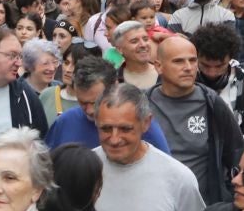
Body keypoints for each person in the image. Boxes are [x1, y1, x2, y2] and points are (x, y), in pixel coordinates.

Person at [146, 34, 242, 207]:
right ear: (159, 66)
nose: (188, 68)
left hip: (201, 210)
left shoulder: (212, 104)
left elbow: (236, 154)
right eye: (179, 61)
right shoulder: (142, 106)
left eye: (192, 60)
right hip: (154, 205)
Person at [44, 55, 174, 154]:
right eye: (82, 102)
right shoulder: (65, 122)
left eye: (95, 102)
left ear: (114, 87)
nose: (89, 110)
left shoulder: (137, 122)